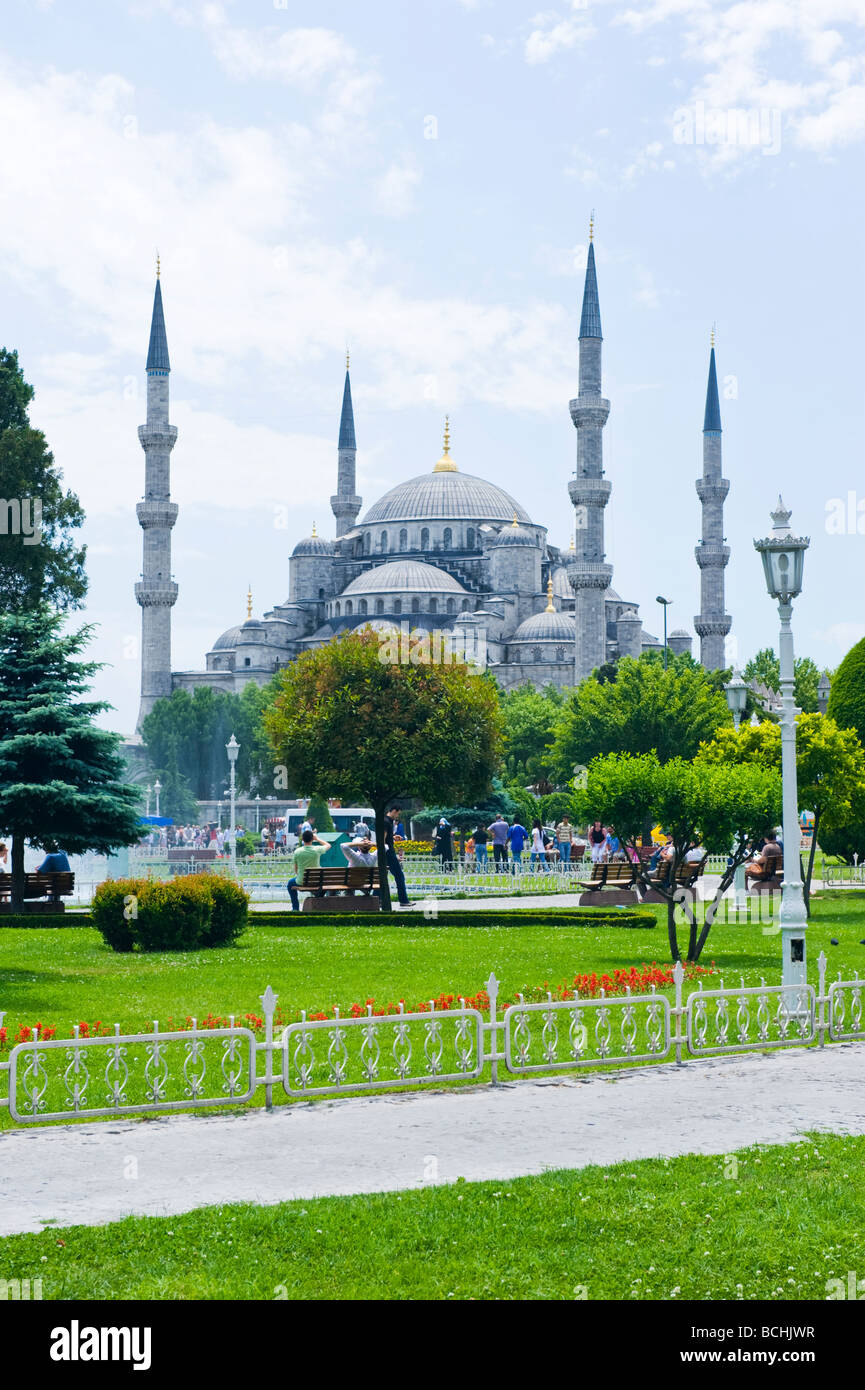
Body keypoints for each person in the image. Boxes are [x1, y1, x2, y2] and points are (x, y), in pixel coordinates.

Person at [286, 828, 330, 911]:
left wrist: (299, 876)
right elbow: (328, 845)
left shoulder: (297, 852)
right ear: (312, 839)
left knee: (290, 884)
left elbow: (296, 870)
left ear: (302, 839)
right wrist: (317, 839)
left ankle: (295, 908)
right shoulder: (317, 849)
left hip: (301, 881)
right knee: (323, 883)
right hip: (316, 881)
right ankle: (318, 900)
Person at [384, 806, 411, 907]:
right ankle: (403, 900)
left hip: (386, 852)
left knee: (383, 876)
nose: (398, 816)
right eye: (398, 814)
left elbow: (385, 837)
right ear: (394, 811)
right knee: (399, 876)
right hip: (388, 853)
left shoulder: (387, 821)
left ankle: (378, 899)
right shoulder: (386, 821)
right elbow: (382, 838)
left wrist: (393, 837)